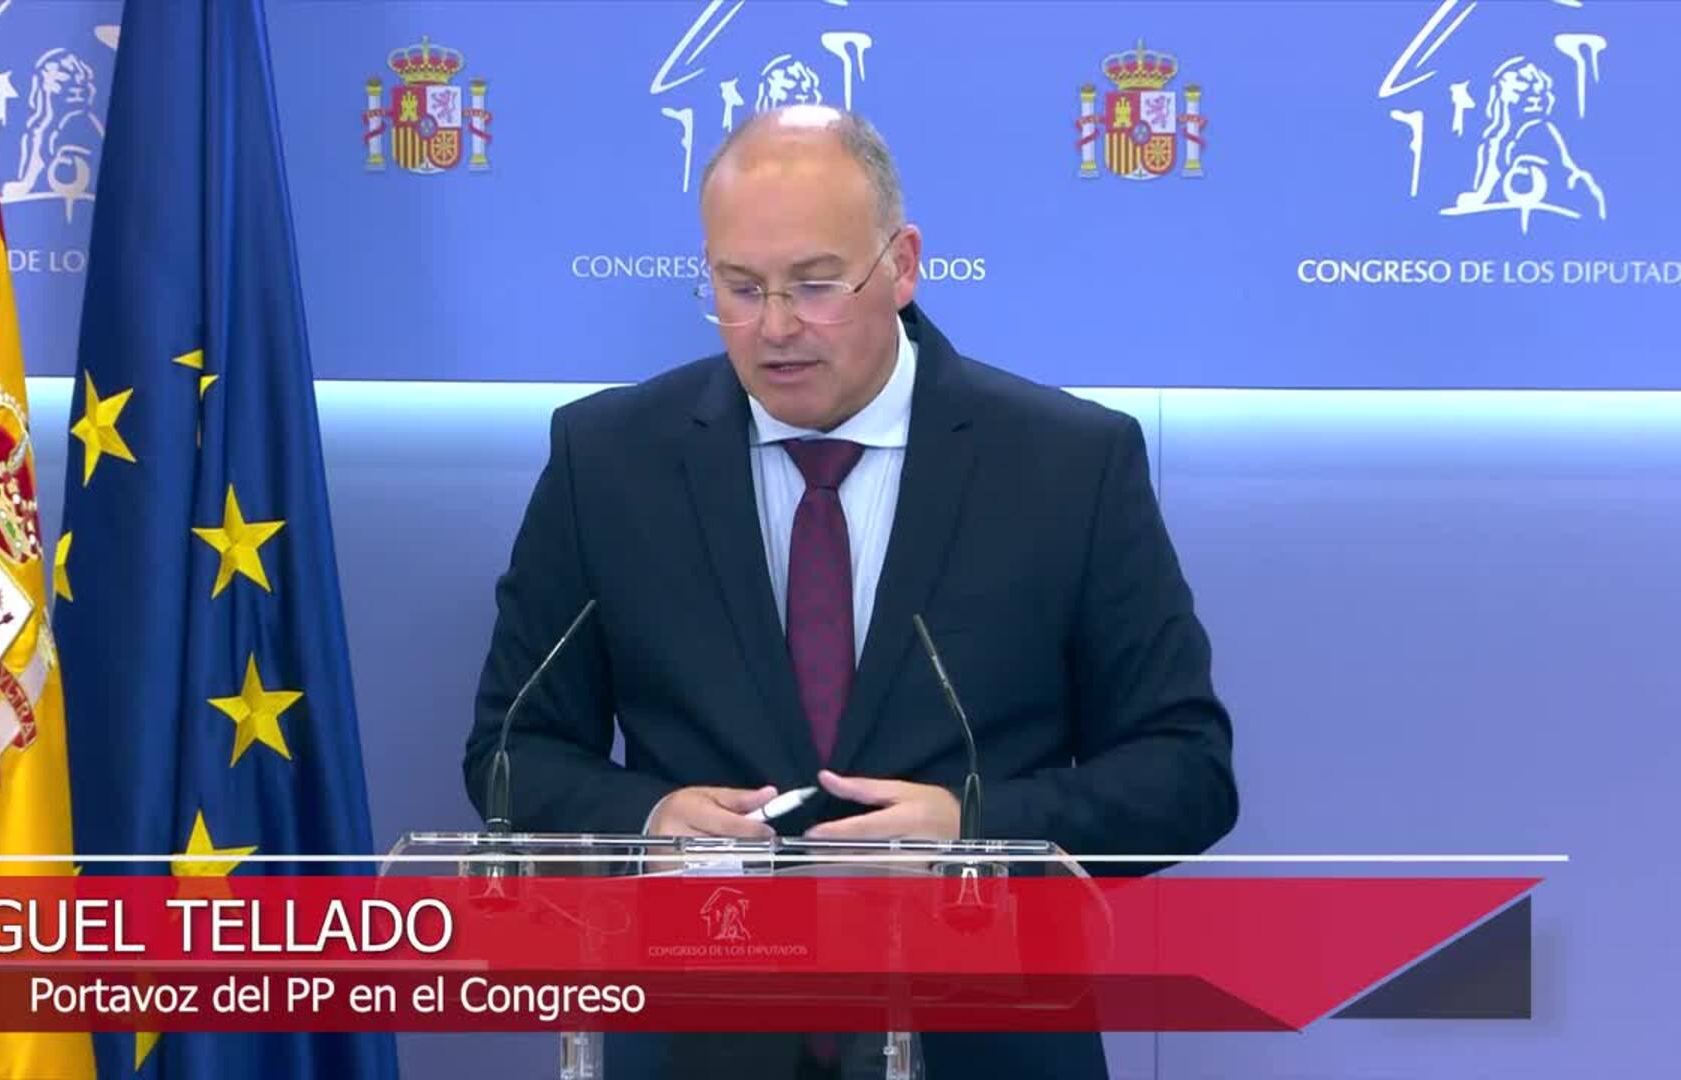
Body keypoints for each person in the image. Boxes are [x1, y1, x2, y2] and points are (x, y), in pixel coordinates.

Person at [465, 105, 1237, 1080]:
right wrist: (651, 823)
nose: (775, 327)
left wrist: (972, 832)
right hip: (701, 1040)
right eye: (740, 287)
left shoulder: (1067, 465)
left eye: (815, 284)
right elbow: (511, 751)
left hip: (983, 1045)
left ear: (902, 265)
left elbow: (1185, 771)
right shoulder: (610, 461)